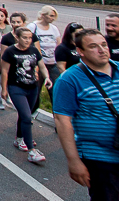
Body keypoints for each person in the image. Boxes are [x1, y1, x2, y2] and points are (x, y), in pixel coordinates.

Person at [54, 29, 119, 201]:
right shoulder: (69, 79)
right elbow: (62, 120)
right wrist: (73, 161)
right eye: (93, 46)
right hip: (99, 158)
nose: (102, 50)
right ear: (80, 52)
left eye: (104, 45)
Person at [1, 27, 52, 163]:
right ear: (17, 38)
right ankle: (31, 151)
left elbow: (41, 66)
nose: (28, 40)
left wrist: (46, 77)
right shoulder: (10, 51)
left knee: (25, 115)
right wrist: (4, 89)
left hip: (32, 87)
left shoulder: (34, 50)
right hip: (16, 87)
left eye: (30, 38)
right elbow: (5, 71)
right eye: (25, 38)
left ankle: (19, 139)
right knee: (26, 117)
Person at [27, 5, 61, 106]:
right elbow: (27, 43)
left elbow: (58, 44)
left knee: (55, 90)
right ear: (43, 15)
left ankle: (58, 115)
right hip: (38, 64)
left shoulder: (54, 29)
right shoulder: (33, 27)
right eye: (51, 16)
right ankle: (30, 112)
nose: (53, 18)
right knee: (36, 91)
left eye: (54, 16)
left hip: (52, 64)